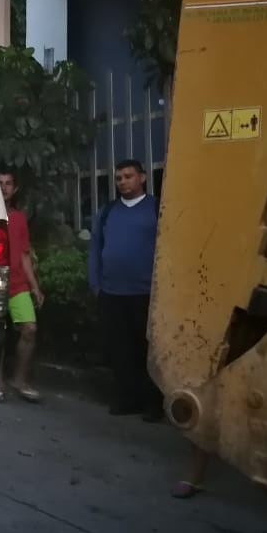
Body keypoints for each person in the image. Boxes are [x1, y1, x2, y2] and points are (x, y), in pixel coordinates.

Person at [88, 159, 163, 421]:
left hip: (146, 294)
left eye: (128, 176)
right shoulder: (108, 212)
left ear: (142, 178)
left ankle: (154, 404)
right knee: (120, 350)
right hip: (112, 293)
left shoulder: (157, 208)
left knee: (149, 350)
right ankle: (126, 399)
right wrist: (95, 284)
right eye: (119, 178)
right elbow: (95, 249)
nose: (122, 182)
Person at [0, 170, 44, 403]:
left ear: (15, 188)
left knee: (29, 329)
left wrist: (35, 287)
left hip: (18, 283)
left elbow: (24, 255)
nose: (4, 187)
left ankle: (20, 380)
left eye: (8, 183)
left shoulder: (19, 217)